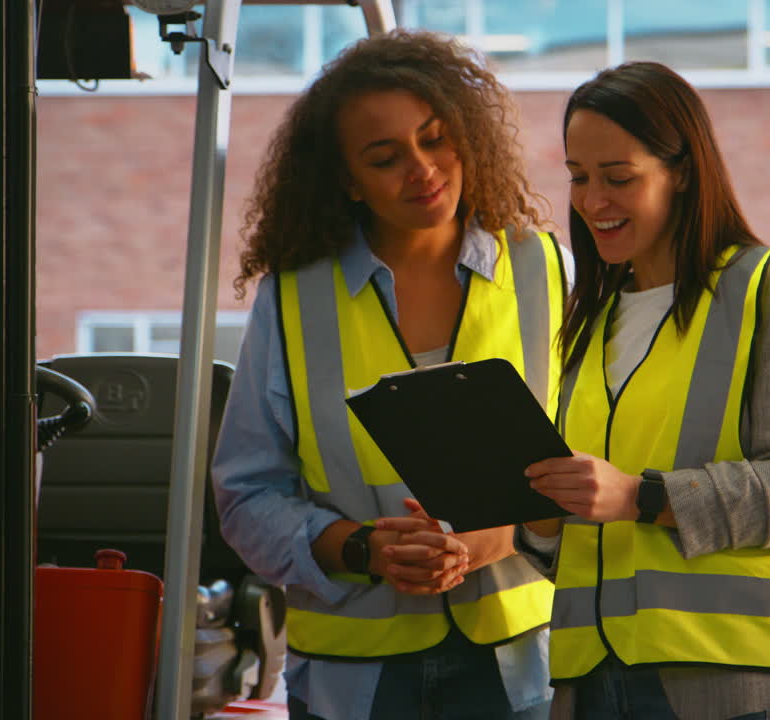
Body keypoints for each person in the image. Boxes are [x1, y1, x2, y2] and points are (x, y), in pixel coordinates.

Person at [212, 30, 570, 720]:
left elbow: (600, 460)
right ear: (347, 180)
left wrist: (508, 532)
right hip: (353, 679)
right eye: (385, 157)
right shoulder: (294, 298)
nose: (423, 169)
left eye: (435, 138)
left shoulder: (548, 270)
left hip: (521, 661)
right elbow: (247, 494)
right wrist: (363, 548)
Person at [517, 62, 770, 720]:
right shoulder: (590, 322)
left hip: (735, 687)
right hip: (589, 686)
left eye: (619, 177)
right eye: (579, 177)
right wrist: (542, 521)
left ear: (684, 172)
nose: (591, 201)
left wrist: (641, 496)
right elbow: (586, 538)